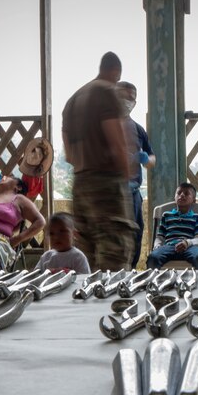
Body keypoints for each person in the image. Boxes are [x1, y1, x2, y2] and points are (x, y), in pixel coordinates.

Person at [62, 51, 136, 271]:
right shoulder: (106, 91)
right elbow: (117, 142)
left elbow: (68, 155)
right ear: (116, 72)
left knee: (87, 257)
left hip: (81, 184)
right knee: (115, 257)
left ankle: (90, 304)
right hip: (106, 184)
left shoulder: (72, 100)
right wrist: (126, 175)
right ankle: (113, 305)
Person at [116, 81, 156, 268]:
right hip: (109, 194)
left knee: (135, 234)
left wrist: (145, 159)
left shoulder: (138, 130)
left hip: (133, 194)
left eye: (131, 98)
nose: (127, 102)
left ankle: (130, 271)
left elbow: (152, 159)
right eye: (123, 97)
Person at [146, 183, 198, 270]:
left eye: (186, 193)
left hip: (190, 247)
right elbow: (160, 237)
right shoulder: (166, 215)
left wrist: (187, 243)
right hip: (169, 246)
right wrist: (157, 246)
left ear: (194, 200)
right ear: (174, 197)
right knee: (153, 258)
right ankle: (156, 282)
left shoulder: (197, 217)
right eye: (179, 193)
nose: (182, 195)